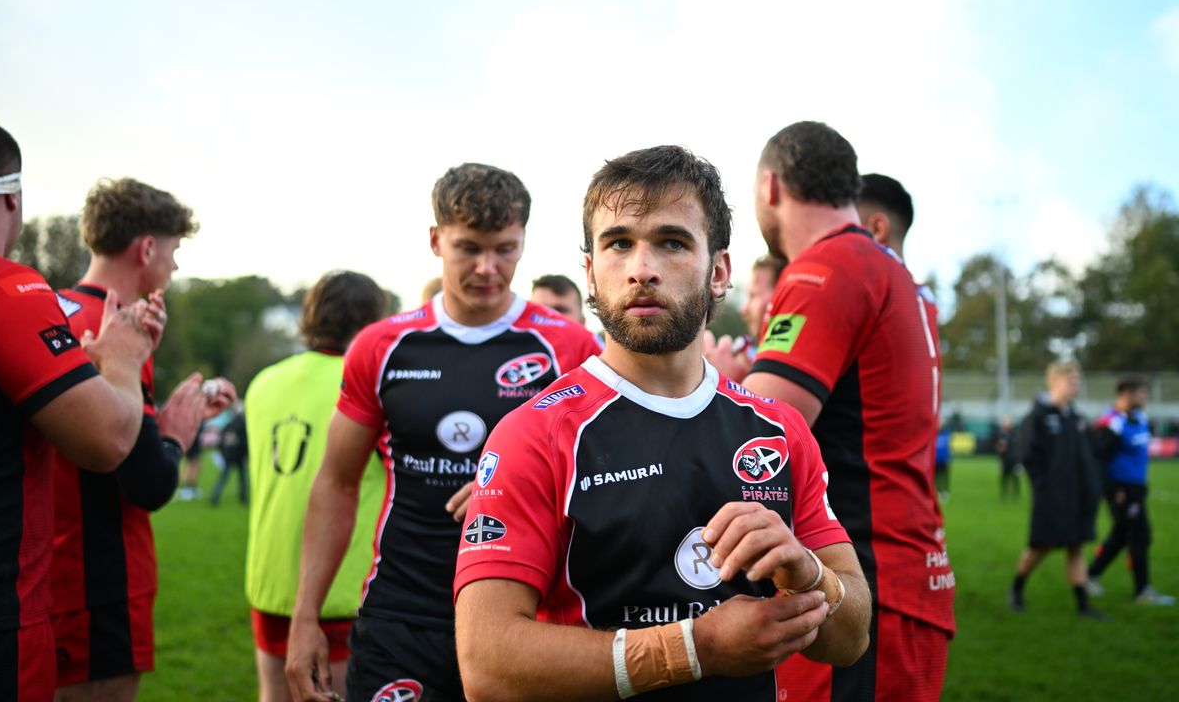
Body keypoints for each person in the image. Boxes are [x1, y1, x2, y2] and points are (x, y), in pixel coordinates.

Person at [453, 144, 870, 701]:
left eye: (672, 242)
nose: (641, 270)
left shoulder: (778, 429)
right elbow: (487, 665)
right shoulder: (535, 434)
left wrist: (808, 573)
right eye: (618, 244)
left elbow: (851, 638)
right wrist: (698, 647)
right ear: (591, 273)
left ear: (718, 271)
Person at [285, 164, 603, 702]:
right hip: (403, 612)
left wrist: (514, 484)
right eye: (468, 248)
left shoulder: (569, 350)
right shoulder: (382, 348)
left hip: (528, 617)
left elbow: (614, 474)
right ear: (436, 240)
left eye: (505, 249)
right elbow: (336, 484)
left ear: (524, 240)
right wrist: (303, 619)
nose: (487, 267)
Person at [739, 122, 954, 701]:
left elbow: (758, 433)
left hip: (862, 583)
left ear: (772, 187)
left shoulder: (827, 268)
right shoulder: (890, 270)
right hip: (906, 573)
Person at [0, 118, 161, 701]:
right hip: (3, 615)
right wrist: (126, 363)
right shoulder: (5, 291)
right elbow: (108, 443)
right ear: (13, 197)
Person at [52, 177, 237, 701]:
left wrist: (168, 411)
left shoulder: (47, 311)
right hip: (99, 577)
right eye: (174, 251)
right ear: (148, 247)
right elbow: (147, 481)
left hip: (41, 572)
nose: (175, 268)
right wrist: (176, 438)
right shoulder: (122, 332)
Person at [245, 271, 389, 702]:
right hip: (341, 585)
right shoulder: (370, 382)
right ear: (373, 322)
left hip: (270, 579)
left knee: (274, 694)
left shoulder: (263, 382)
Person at [1008, 360, 1105, 619]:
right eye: (1071, 379)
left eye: (1078, 380)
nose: (1076, 384)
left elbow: (1091, 455)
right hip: (1050, 498)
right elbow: (1026, 455)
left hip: (1077, 497)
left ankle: (1083, 606)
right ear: (1055, 381)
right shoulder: (1038, 416)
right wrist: (1045, 486)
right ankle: (1016, 588)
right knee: (1041, 547)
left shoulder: (1078, 419)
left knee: (1076, 547)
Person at [1086, 376, 1174, 605]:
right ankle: (1142, 590)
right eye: (1141, 393)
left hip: (1137, 488)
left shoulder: (1140, 418)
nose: (1144, 398)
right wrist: (1113, 489)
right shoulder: (1112, 423)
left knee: (1121, 535)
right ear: (1126, 394)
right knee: (1139, 535)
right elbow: (1099, 459)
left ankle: (1090, 576)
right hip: (1121, 491)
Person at [211, 402, 248, 506]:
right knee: (242, 478)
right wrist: (246, 454)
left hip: (228, 455)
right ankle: (243, 498)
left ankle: (214, 497)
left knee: (223, 477)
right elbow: (245, 442)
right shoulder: (243, 425)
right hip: (239, 456)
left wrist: (223, 453)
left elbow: (221, 441)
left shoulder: (228, 425)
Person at [993, 416, 1021, 500]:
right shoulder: (1000, 434)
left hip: (1014, 459)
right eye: (1006, 422)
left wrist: (1019, 460)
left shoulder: (1015, 433)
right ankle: (1003, 493)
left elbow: (1018, 446)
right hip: (1004, 459)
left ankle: (1016, 493)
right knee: (1004, 477)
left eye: (1008, 422)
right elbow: (998, 448)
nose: (1007, 424)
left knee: (1015, 477)